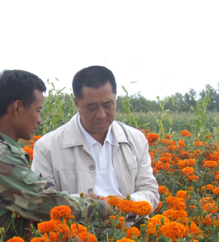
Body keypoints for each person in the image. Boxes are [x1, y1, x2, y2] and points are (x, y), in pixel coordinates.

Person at [0, 69, 110, 240]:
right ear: (17, 107)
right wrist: (103, 207)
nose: (40, 120)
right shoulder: (1, 159)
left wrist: (79, 199)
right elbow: (46, 204)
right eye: (38, 110)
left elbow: (34, 197)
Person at [31, 66, 159, 215]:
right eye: (91, 107)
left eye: (107, 105)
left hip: (130, 230)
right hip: (75, 234)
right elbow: (42, 202)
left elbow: (150, 191)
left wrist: (126, 204)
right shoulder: (47, 147)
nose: (101, 115)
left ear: (115, 98)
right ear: (76, 103)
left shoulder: (135, 140)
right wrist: (87, 205)